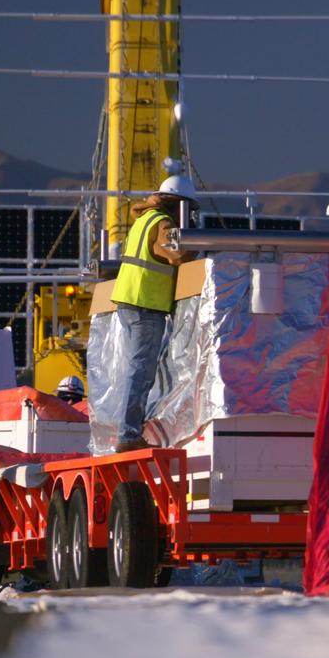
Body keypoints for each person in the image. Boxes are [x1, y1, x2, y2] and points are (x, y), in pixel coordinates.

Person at [110, 175, 197, 452]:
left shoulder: (143, 219)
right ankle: (128, 434)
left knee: (135, 369)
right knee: (141, 370)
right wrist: (196, 243)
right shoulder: (163, 223)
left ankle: (128, 430)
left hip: (131, 301)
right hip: (146, 304)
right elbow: (178, 255)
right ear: (179, 205)